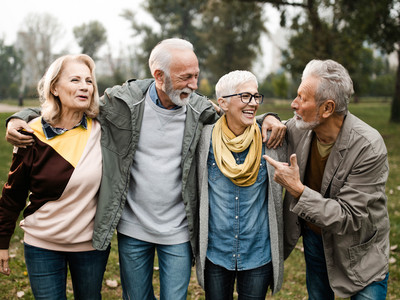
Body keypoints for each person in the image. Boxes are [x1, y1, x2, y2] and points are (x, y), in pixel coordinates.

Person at [5, 38, 285, 300]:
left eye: (195, 75)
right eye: (185, 77)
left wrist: (266, 117)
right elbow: (70, 109)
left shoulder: (199, 109)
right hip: (133, 227)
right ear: (159, 76)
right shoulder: (123, 102)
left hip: (177, 229)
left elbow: (234, 114)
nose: (195, 84)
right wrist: (21, 116)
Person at [264, 59, 390, 299]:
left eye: (302, 98)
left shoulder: (369, 146)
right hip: (316, 241)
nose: (294, 104)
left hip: (361, 253)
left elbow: (348, 217)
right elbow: (252, 122)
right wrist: (268, 117)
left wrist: (298, 190)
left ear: (327, 108)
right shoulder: (301, 128)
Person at [0, 54, 110, 299]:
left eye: (89, 81)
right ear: (54, 88)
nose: (84, 86)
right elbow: (13, 193)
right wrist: (2, 241)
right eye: (75, 80)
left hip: (90, 246)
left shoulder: (104, 130)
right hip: (42, 245)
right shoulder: (31, 132)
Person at [195, 70, 286, 299]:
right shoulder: (205, 138)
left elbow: (304, 120)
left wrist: (270, 117)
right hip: (216, 253)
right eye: (245, 96)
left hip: (257, 254)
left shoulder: (270, 139)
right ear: (223, 103)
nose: (253, 103)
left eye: (256, 97)